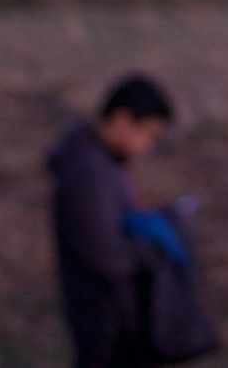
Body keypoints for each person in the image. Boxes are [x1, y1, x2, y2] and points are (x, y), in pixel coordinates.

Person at [46, 72, 178, 367]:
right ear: (121, 120)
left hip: (112, 315)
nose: (148, 145)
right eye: (148, 134)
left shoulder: (105, 161)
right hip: (102, 319)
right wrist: (153, 248)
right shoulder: (86, 172)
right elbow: (106, 254)